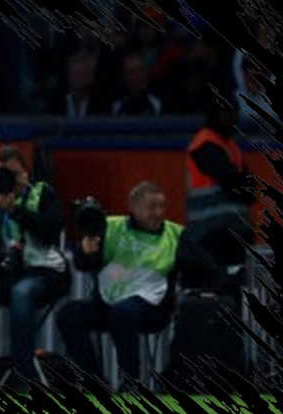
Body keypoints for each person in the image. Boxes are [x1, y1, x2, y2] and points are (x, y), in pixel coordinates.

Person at [56, 182, 220, 392]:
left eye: (161, 206)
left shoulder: (174, 235)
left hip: (152, 309)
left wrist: (203, 289)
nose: (158, 213)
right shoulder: (110, 227)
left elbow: (209, 268)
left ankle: (131, 382)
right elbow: (84, 264)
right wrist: (85, 252)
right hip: (107, 303)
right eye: (152, 207)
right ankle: (95, 381)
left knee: (121, 314)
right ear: (133, 208)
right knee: (68, 314)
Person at [0, 146, 70, 390]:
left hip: (43, 272)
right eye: (2, 176)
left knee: (21, 293)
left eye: (14, 175)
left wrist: (16, 210)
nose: (9, 182)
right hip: (1, 275)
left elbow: (51, 231)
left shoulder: (42, 193)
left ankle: (23, 374)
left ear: (25, 174)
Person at [186, 102, 256, 305]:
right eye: (228, 112)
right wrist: (241, 185)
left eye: (235, 112)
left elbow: (250, 191)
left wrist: (242, 186)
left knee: (237, 292)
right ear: (215, 114)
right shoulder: (204, 144)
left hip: (234, 233)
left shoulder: (231, 146)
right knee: (214, 294)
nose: (234, 118)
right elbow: (232, 181)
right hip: (210, 234)